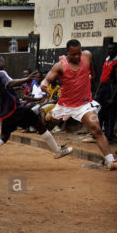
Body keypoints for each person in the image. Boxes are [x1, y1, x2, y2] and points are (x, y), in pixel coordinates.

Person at [0, 55, 72, 169]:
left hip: (4, 114)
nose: (4, 63)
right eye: (3, 60)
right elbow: (10, 82)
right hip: (16, 109)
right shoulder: (1, 73)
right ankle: (57, 152)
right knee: (40, 126)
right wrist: (27, 79)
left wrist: (12, 90)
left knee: (4, 137)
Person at [41, 39, 115, 170]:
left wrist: (90, 76)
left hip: (83, 105)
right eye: (73, 54)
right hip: (64, 105)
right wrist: (44, 86)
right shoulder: (60, 66)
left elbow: (92, 70)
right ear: (67, 53)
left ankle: (111, 162)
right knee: (50, 121)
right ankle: (51, 114)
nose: (76, 57)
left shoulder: (87, 56)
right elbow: (46, 80)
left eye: (78, 53)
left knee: (96, 129)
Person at [94, 42, 117, 141]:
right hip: (103, 88)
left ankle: (109, 136)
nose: (110, 51)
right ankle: (99, 134)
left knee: (109, 114)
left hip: (111, 88)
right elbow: (102, 78)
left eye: (112, 49)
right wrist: (97, 92)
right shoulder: (106, 60)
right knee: (100, 112)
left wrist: (113, 98)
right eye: (109, 49)